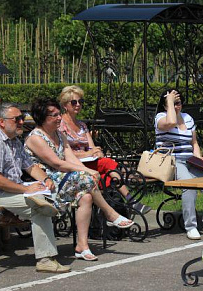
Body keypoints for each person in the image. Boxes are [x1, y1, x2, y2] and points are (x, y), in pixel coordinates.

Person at [25, 98, 135, 261]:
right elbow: (57, 163)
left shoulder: (59, 134)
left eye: (58, 114)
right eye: (53, 115)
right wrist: (86, 171)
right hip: (46, 181)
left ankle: (82, 246)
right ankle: (110, 214)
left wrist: (88, 171)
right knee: (85, 178)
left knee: (86, 196)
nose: (58, 118)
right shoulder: (36, 137)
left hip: (66, 179)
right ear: (42, 118)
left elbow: (70, 159)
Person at [0, 102, 70, 273]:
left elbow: (30, 167)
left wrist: (45, 179)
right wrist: (26, 190)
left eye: (22, 118)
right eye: (17, 119)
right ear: (2, 122)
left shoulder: (14, 141)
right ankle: (45, 257)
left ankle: (46, 254)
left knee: (43, 199)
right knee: (39, 204)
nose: (22, 122)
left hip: (9, 190)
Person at [58, 85, 151, 215]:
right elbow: (64, 152)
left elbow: (92, 147)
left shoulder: (82, 125)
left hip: (89, 162)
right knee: (108, 164)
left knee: (107, 176)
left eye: (80, 102)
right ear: (65, 105)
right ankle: (130, 201)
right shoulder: (60, 125)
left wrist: (96, 152)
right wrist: (88, 153)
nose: (78, 105)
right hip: (74, 164)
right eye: (74, 102)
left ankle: (124, 206)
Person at [155, 88, 203, 240]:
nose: (176, 106)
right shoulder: (160, 117)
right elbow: (171, 121)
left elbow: (194, 143)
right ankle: (191, 226)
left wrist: (199, 160)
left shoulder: (188, 118)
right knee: (190, 186)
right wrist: (170, 102)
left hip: (189, 161)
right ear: (165, 104)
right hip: (172, 161)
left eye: (178, 103)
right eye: (173, 103)